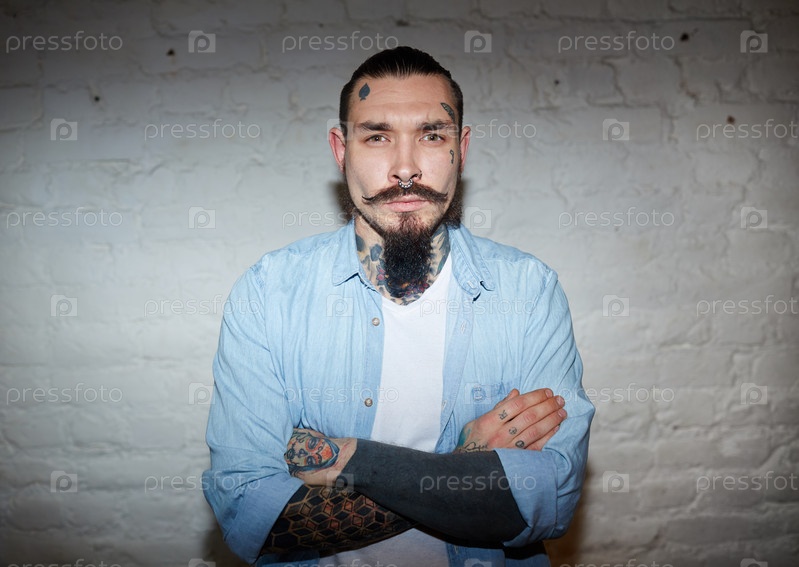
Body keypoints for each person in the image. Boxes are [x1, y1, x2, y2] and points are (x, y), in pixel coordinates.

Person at [202, 46, 594, 567]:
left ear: (461, 148)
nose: (405, 168)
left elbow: (545, 503)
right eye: (377, 136)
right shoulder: (268, 294)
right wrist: (465, 464)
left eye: (432, 135)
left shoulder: (528, 292)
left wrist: (350, 460)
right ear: (341, 150)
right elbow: (252, 516)